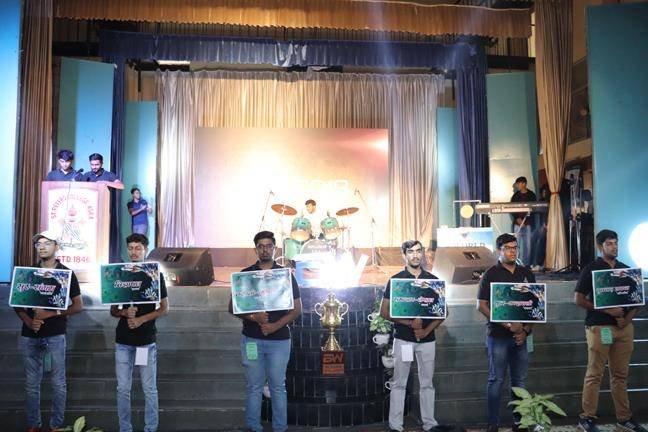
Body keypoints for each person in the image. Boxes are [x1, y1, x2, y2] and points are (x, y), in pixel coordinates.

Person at [228, 231, 302, 432]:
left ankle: (280, 428)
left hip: (279, 341)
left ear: (274, 248)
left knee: (278, 387)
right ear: (256, 250)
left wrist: (275, 326)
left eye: (269, 245)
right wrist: (255, 317)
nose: (265, 249)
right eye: (261, 246)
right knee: (254, 387)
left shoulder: (285, 276)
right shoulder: (246, 276)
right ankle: (253, 426)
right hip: (252, 340)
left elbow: (297, 309)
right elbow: (232, 307)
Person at [574, 230, 646, 432]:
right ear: (600, 246)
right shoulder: (591, 269)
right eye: (609, 243)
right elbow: (578, 299)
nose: (614, 247)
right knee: (594, 374)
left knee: (620, 376)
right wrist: (607, 310)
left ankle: (624, 419)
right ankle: (586, 419)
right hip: (600, 328)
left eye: (616, 243)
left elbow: (638, 300)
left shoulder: (627, 270)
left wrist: (626, 320)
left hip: (624, 329)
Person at [13, 230, 84, 432]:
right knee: (31, 384)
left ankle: (56, 425)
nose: (41, 247)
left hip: (55, 335)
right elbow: (17, 303)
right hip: (30, 335)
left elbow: (78, 306)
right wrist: (29, 322)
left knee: (58, 383)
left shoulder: (66, 274)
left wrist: (50, 314)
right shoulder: (27, 274)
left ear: (56, 246)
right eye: (38, 244)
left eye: (46, 243)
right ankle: (33, 425)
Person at [380, 240, 444, 432]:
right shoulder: (396, 281)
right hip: (404, 340)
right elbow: (384, 311)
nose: (415, 255)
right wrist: (409, 323)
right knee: (399, 383)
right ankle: (395, 425)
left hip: (427, 341)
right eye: (411, 251)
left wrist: (425, 330)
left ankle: (429, 424)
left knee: (427, 383)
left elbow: (443, 312)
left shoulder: (433, 281)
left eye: (418, 251)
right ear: (404, 255)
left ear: (422, 253)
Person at [110, 233, 168, 432]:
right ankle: (124, 428)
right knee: (123, 389)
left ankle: (150, 428)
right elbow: (113, 310)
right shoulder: (120, 275)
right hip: (123, 343)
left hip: (144, 343)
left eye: (138, 248)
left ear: (145, 250)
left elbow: (164, 308)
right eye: (130, 248)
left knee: (148, 388)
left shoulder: (154, 275)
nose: (134, 252)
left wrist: (141, 319)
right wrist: (124, 312)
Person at [477, 233, 535, 432]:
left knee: (519, 381)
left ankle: (520, 422)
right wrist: (508, 325)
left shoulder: (526, 273)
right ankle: (493, 423)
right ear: (498, 250)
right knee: (496, 380)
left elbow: (535, 305)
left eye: (515, 247)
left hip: (522, 337)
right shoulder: (491, 274)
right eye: (508, 248)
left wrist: (525, 330)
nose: (513, 251)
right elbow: (481, 305)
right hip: (498, 337)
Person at [510, 176, 537, 266]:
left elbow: (534, 209)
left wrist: (525, 220)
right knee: (516, 244)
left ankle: (527, 264)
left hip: (528, 224)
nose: (517, 186)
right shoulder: (515, 196)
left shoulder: (532, 195)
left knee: (528, 245)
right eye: (517, 184)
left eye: (518, 183)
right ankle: (516, 263)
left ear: (524, 184)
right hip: (517, 224)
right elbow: (512, 209)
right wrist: (517, 218)